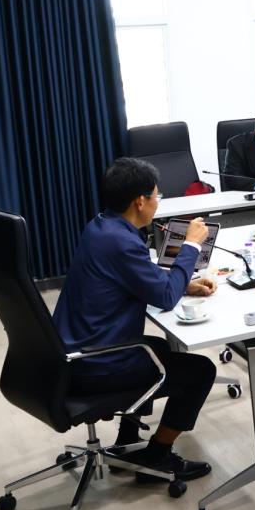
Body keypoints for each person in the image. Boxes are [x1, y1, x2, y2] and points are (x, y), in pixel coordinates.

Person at [53, 157, 218, 483]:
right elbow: (165, 298)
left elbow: (133, 277)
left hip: (70, 351)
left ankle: (127, 438)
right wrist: (191, 245)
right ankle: (158, 455)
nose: (158, 202)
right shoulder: (123, 242)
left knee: (158, 347)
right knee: (201, 371)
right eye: (157, 196)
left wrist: (182, 283)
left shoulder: (100, 227)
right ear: (140, 201)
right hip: (95, 365)